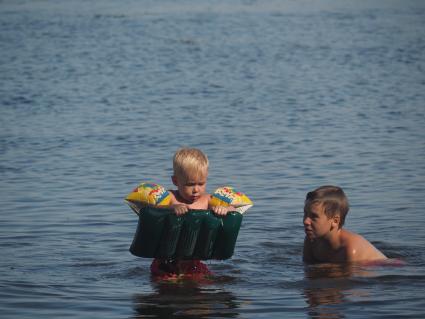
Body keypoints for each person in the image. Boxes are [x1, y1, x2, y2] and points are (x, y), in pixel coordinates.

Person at [151, 147, 235, 279]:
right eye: (190, 184)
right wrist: (173, 207)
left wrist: (224, 209)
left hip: (193, 262)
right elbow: (154, 209)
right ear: (175, 181)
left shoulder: (207, 200)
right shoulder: (170, 197)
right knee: (167, 289)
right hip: (165, 262)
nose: (196, 190)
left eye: (201, 183)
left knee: (203, 287)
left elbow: (233, 210)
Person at [303, 185, 387, 264]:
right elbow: (307, 267)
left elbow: (347, 278)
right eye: (305, 214)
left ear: (335, 221)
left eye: (314, 216)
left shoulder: (350, 249)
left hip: (386, 267)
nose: (306, 221)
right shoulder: (311, 240)